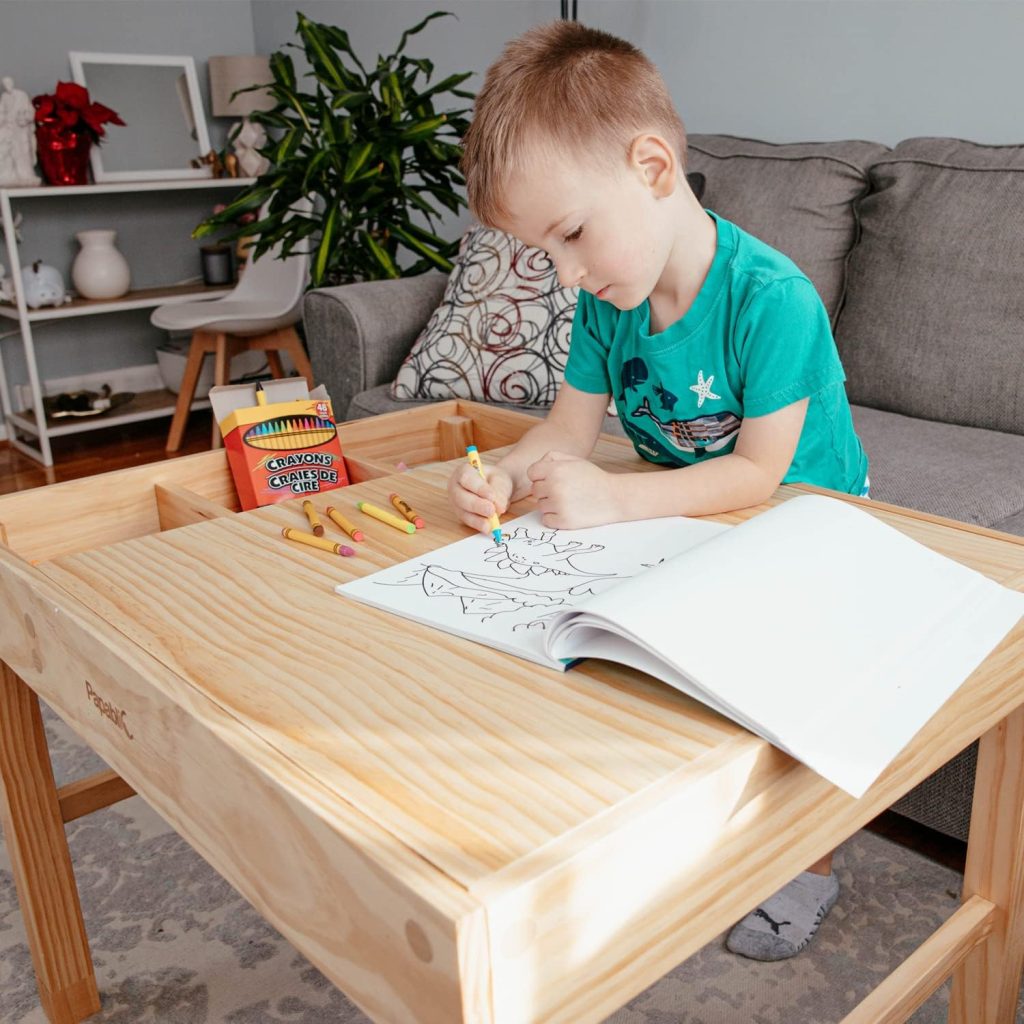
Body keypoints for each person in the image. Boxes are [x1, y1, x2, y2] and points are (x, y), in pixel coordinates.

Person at [448, 21, 869, 962]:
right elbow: (567, 428)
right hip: (692, 514)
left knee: (791, 688)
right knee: (616, 652)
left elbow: (760, 474)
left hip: (811, 519)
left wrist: (616, 500)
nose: (566, 275)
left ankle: (812, 865)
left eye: (570, 235)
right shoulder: (609, 301)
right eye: (544, 253)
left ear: (651, 166)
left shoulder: (774, 298)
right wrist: (510, 473)